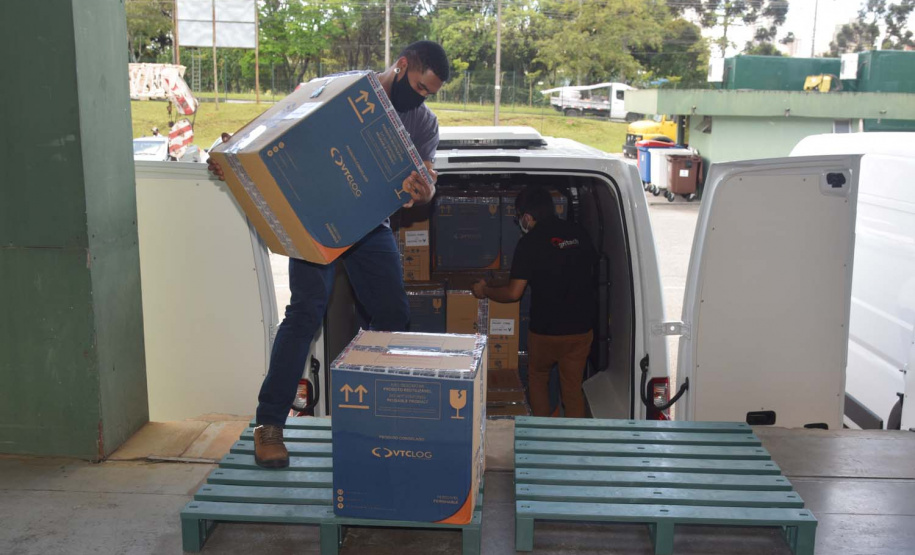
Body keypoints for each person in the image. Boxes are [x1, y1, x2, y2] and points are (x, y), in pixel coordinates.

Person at [208, 41, 449, 468]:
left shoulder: (424, 123)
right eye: (419, 87)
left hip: (368, 225)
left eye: (430, 93)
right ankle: (269, 426)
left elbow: (427, 178)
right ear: (403, 64)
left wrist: (426, 192)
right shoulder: (346, 91)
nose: (422, 98)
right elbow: (282, 121)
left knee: (393, 314)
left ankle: (374, 416)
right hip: (315, 220)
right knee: (305, 311)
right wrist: (233, 156)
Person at [472, 186, 597, 418]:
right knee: (572, 388)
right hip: (581, 330)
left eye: (519, 218)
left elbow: (513, 292)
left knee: (538, 377)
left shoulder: (530, 243)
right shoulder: (580, 233)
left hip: (546, 331)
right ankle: (574, 443)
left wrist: (485, 290)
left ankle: (541, 434)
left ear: (527, 217)